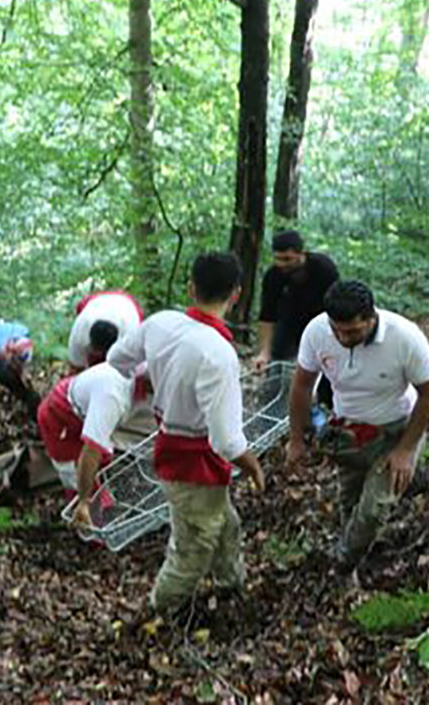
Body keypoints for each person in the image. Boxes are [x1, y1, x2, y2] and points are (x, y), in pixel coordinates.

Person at [107, 251, 265, 612]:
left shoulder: (161, 324)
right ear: (236, 294)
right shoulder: (218, 354)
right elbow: (226, 440)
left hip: (172, 446)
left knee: (225, 524)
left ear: (191, 288)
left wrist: (150, 373)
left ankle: (230, 588)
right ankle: (157, 613)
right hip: (193, 460)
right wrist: (253, 465)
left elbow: (117, 359)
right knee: (191, 549)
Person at [285, 280, 429, 576]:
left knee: (374, 508)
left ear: (372, 318)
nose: (343, 338)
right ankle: (353, 561)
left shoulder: (404, 337)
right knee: (350, 501)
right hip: (349, 428)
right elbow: (302, 385)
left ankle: (341, 564)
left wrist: (405, 450)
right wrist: (296, 439)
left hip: (397, 428)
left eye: (353, 331)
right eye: (337, 330)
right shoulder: (317, 332)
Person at [38, 359, 151, 504]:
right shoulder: (113, 396)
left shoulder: (143, 366)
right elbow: (91, 451)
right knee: (73, 470)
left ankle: (96, 492)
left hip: (85, 405)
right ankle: (83, 508)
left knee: (104, 458)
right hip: (59, 417)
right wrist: (84, 501)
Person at [252, 230, 338, 375]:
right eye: (278, 259)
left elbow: (336, 307)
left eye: (287, 259)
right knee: (278, 366)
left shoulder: (323, 268)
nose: (282, 264)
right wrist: (264, 353)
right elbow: (267, 316)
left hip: (320, 322)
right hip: (288, 324)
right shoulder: (273, 276)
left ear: (301, 253)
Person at [67, 290, 143, 372]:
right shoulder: (80, 331)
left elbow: (134, 369)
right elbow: (75, 367)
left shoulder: (131, 331)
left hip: (126, 304)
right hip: (96, 302)